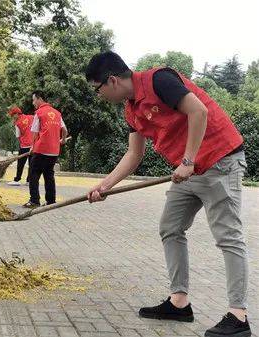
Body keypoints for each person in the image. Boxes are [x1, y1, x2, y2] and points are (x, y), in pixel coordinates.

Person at [85, 51, 250, 337]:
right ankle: (179, 302)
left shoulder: (159, 80)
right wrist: (105, 186)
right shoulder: (130, 109)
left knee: (228, 236)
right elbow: (133, 154)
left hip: (219, 161)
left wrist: (187, 161)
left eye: (97, 89)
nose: (97, 95)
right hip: (188, 170)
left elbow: (199, 111)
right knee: (170, 227)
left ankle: (239, 316)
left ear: (111, 80)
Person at [23, 91, 67, 208]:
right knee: (49, 175)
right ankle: (51, 201)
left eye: (33, 100)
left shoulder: (39, 113)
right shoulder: (57, 113)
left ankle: (34, 201)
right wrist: (63, 140)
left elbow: (35, 133)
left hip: (41, 150)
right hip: (54, 151)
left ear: (39, 98)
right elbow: (65, 130)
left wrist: (32, 146)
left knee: (33, 175)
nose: (33, 103)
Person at [7, 106, 34, 186]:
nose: (12, 117)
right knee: (31, 164)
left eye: (12, 115)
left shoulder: (17, 123)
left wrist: (22, 142)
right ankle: (29, 181)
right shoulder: (31, 117)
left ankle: (17, 180)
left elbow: (18, 136)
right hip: (34, 145)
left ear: (16, 114)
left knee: (20, 164)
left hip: (24, 146)